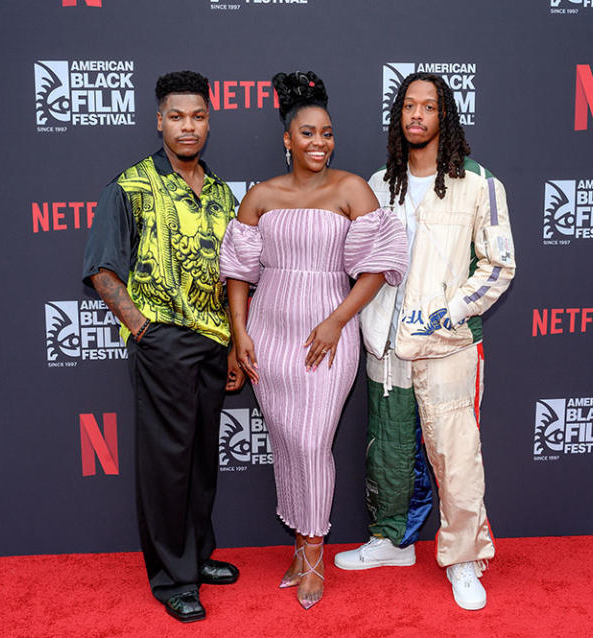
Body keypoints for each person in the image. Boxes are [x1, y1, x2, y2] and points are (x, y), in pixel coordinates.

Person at [220, 71, 407, 610]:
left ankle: (314, 552)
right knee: (286, 442)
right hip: (270, 335)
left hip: (328, 335)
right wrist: (240, 334)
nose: (319, 143)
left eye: (326, 133)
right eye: (307, 133)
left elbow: (377, 267)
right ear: (287, 138)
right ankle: (300, 546)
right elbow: (238, 272)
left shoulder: (352, 189)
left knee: (311, 442)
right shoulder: (260, 196)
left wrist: (336, 320)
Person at [333, 72, 516, 611]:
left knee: (455, 457)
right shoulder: (377, 182)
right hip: (384, 345)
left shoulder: (480, 182)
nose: (417, 115)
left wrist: (448, 312)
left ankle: (464, 558)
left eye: (428, 107)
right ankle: (392, 541)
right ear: (399, 117)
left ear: (445, 116)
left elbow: (499, 264)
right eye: (408, 106)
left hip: (448, 344)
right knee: (387, 452)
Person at [81, 70, 245, 624]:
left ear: (209, 118)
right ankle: (172, 577)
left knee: (201, 459)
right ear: (159, 120)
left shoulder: (222, 192)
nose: (188, 126)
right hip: (163, 341)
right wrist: (144, 330)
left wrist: (228, 345)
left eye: (198, 115)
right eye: (176, 116)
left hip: (213, 341)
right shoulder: (130, 185)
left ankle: (197, 557)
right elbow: (103, 272)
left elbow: (233, 276)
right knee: (166, 463)